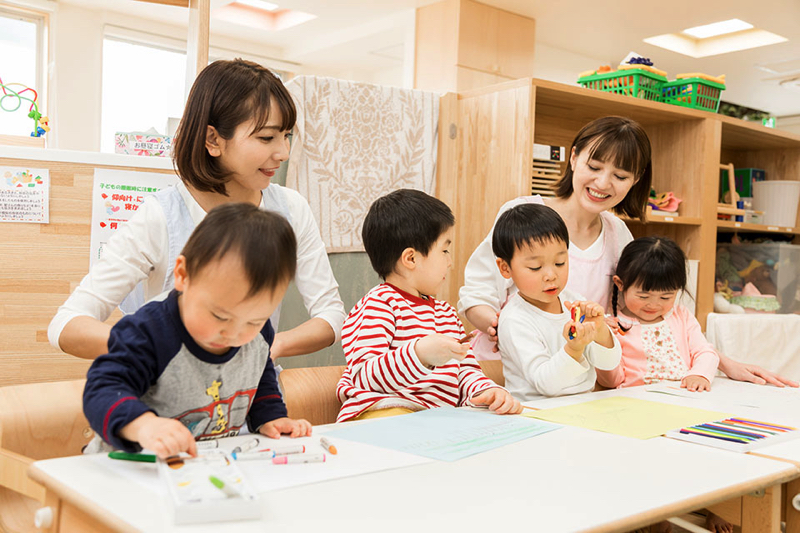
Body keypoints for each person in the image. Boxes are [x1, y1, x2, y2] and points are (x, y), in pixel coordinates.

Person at [458, 115, 797, 388]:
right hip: (509, 371)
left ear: (635, 181)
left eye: (620, 175)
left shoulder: (617, 232)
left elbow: (642, 315)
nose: (603, 183)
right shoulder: (524, 213)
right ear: (574, 157)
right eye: (594, 166)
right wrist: (498, 325)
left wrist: (718, 361)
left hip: (580, 376)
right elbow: (476, 294)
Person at [49, 59, 345, 364]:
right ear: (213, 140)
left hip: (249, 392)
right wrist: (159, 347)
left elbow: (333, 315)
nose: (282, 152)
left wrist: (265, 347)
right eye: (266, 138)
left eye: (287, 136)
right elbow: (66, 325)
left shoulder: (291, 209)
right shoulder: (160, 217)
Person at [83, 203, 312, 458]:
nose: (235, 334)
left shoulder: (258, 335)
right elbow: (102, 389)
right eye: (219, 316)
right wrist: (143, 425)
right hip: (127, 465)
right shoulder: (147, 331)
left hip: (199, 465)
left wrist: (271, 416)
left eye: (253, 322)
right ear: (183, 274)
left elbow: (260, 374)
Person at [336, 189, 521, 422]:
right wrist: (420, 354)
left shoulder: (446, 314)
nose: (450, 261)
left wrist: (485, 391)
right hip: (382, 413)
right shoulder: (379, 304)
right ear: (411, 259)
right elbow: (364, 376)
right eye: (444, 250)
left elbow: (465, 369)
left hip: (432, 421)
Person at [492, 203, 621, 400]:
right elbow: (547, 385)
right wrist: (574, 349)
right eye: (535, 267)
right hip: (535, 412)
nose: (551, 275)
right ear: (505, 268)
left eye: (560, 262)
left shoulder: (575, 302)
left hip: (581, 406)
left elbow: (608, 363)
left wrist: (601, 330)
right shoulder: (514, 320)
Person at [599, 236, 720, 392]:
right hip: (637, 401)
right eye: (643, 296)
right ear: (620, 284)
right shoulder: (613, 326)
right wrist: (603, 341)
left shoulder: (681, 316)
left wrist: (699, 375)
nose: (654, 305)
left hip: (684, 397)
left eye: (665, 297)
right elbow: (611, 381)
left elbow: (705, 351)